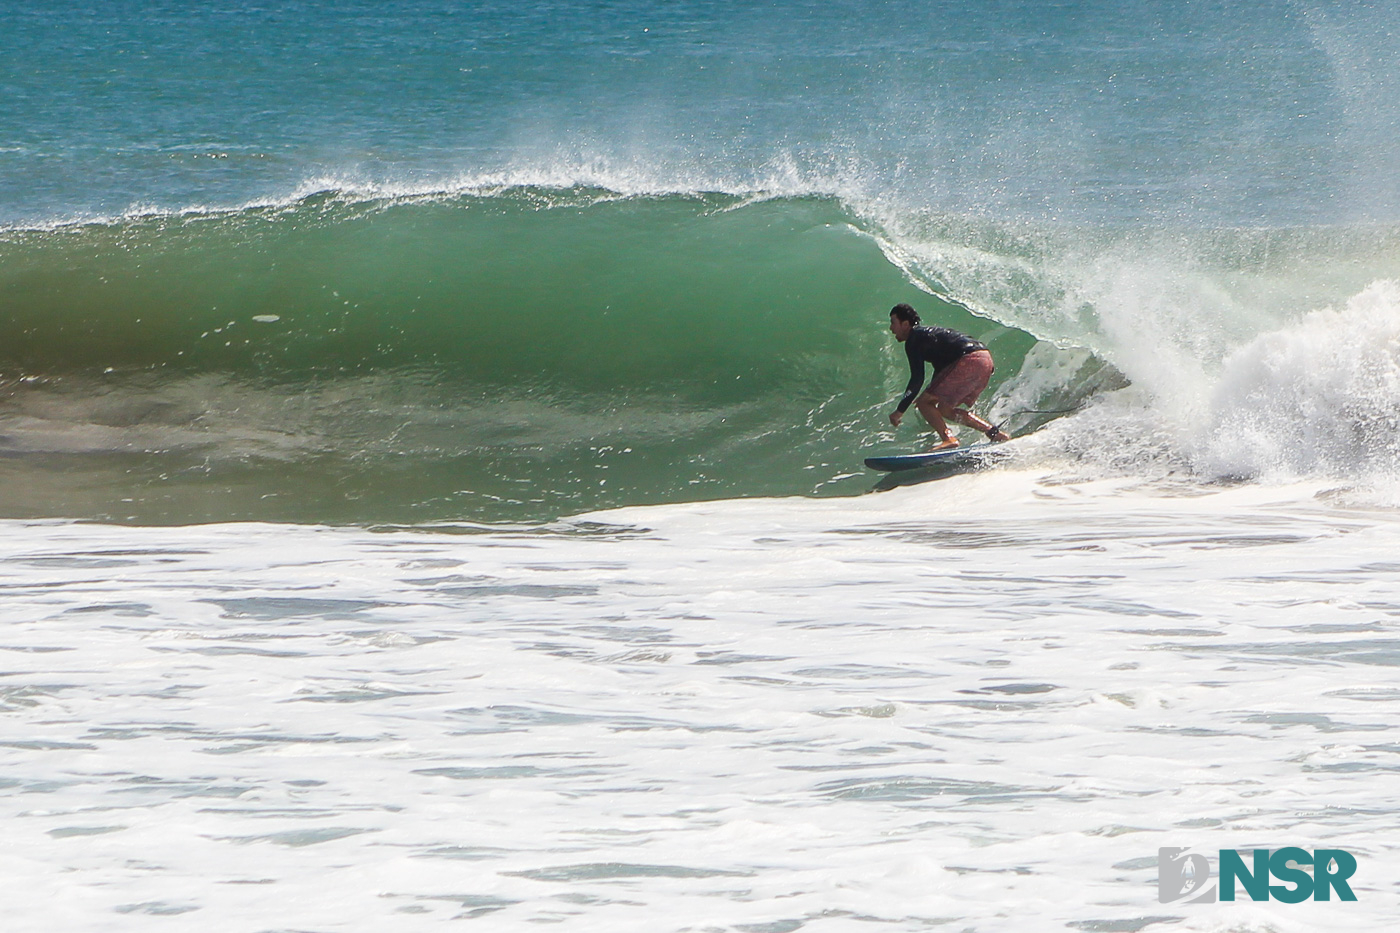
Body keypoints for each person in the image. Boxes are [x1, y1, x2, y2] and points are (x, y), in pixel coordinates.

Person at [887, 303, 1010, 449]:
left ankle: (948, 439)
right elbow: (942, 371)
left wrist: (899, 410)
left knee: (924, 403)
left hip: (968, 360)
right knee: (945, 409)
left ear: (905, 324)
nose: (891, 328)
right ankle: (995, 434)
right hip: (985, 360)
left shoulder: (914, 339)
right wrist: (929, 393)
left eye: (893, 322)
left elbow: (917, 378)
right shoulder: (927, 337)